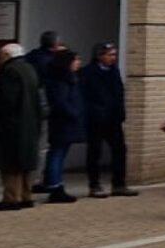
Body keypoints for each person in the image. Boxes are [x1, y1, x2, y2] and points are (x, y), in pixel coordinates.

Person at [0, 43, 43, 210]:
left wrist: (0, 121)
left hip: (13, 125)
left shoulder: (9, 71)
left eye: (0, 55)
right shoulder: (29, 69)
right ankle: (26, 195)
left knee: (10, 163)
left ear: (6, 55)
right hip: (30, 123)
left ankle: (11, 198)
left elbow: (7, 101)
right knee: (25, 162)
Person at [78, 42, 134, 198]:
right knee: (95, 152)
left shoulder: (114, 72)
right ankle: (94, 185)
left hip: (113, 119)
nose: (113, 58)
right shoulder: (87, 73)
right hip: (95, 119)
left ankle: (119, 184)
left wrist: (121, 113)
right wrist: (93, 112)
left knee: (120, 150)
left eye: (114, 55)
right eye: (110, 55)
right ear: (99, 56)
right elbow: (84, 96)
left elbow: (119, 93)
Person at [38, 44, 82, 203]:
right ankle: (54, 185)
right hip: (62, 122)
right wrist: (74, 113)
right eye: (75, 60)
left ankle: (55, 183)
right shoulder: (61, 80)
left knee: (59, 153)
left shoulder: (65, 78)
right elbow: (61, 102)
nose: (78, 63)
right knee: (57, 153)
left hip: (64, 121)